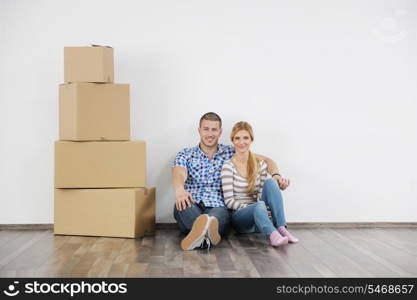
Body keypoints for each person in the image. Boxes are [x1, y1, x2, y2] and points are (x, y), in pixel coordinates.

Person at [172, 112, 281, 250]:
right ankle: (207, 235)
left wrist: (276, 175)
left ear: (220, 132)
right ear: (199, 130)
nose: (210, 134)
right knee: (181, 205)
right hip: (191, 202)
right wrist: (179, 189)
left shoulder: (232, 152)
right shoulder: (186, 154)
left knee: (216, 218)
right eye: (206, 129)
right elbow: (179, 172)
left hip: (218, 206)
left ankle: (199, 235)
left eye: (214, 129)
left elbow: (267, 161)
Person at [221, 121, 298, 247]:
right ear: (232, 141)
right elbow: (229, 201)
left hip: (261, 217)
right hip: (241, 218)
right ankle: (272, 235)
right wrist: (254, 207)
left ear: (251, 139)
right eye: (237, 138)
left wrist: (264, 208)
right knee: (259, 205)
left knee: (270, 182)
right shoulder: (228, 166)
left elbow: (262, 191)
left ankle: (282, 229)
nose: (242, 142)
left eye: (246, 138)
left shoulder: (260, 164)